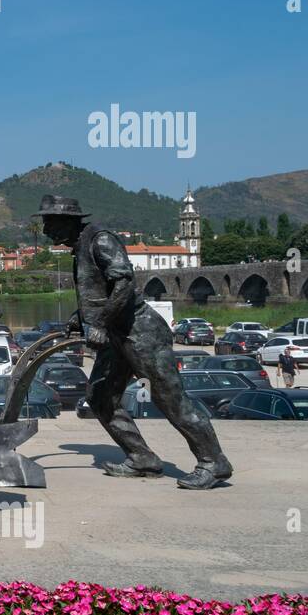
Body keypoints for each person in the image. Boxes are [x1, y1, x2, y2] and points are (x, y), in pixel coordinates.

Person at [36, 194, 233, 490]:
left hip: (141, 332)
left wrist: (99, 322)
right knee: (101, 397)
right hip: (117, 334)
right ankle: (142, 457)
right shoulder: (81, 247)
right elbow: (101, 291)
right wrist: (83, 316)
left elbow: (125, 283)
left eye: (50, 222)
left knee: (170, 399)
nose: (45, 229)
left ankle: (213, 462)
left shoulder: (101, 240)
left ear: (68, 221)